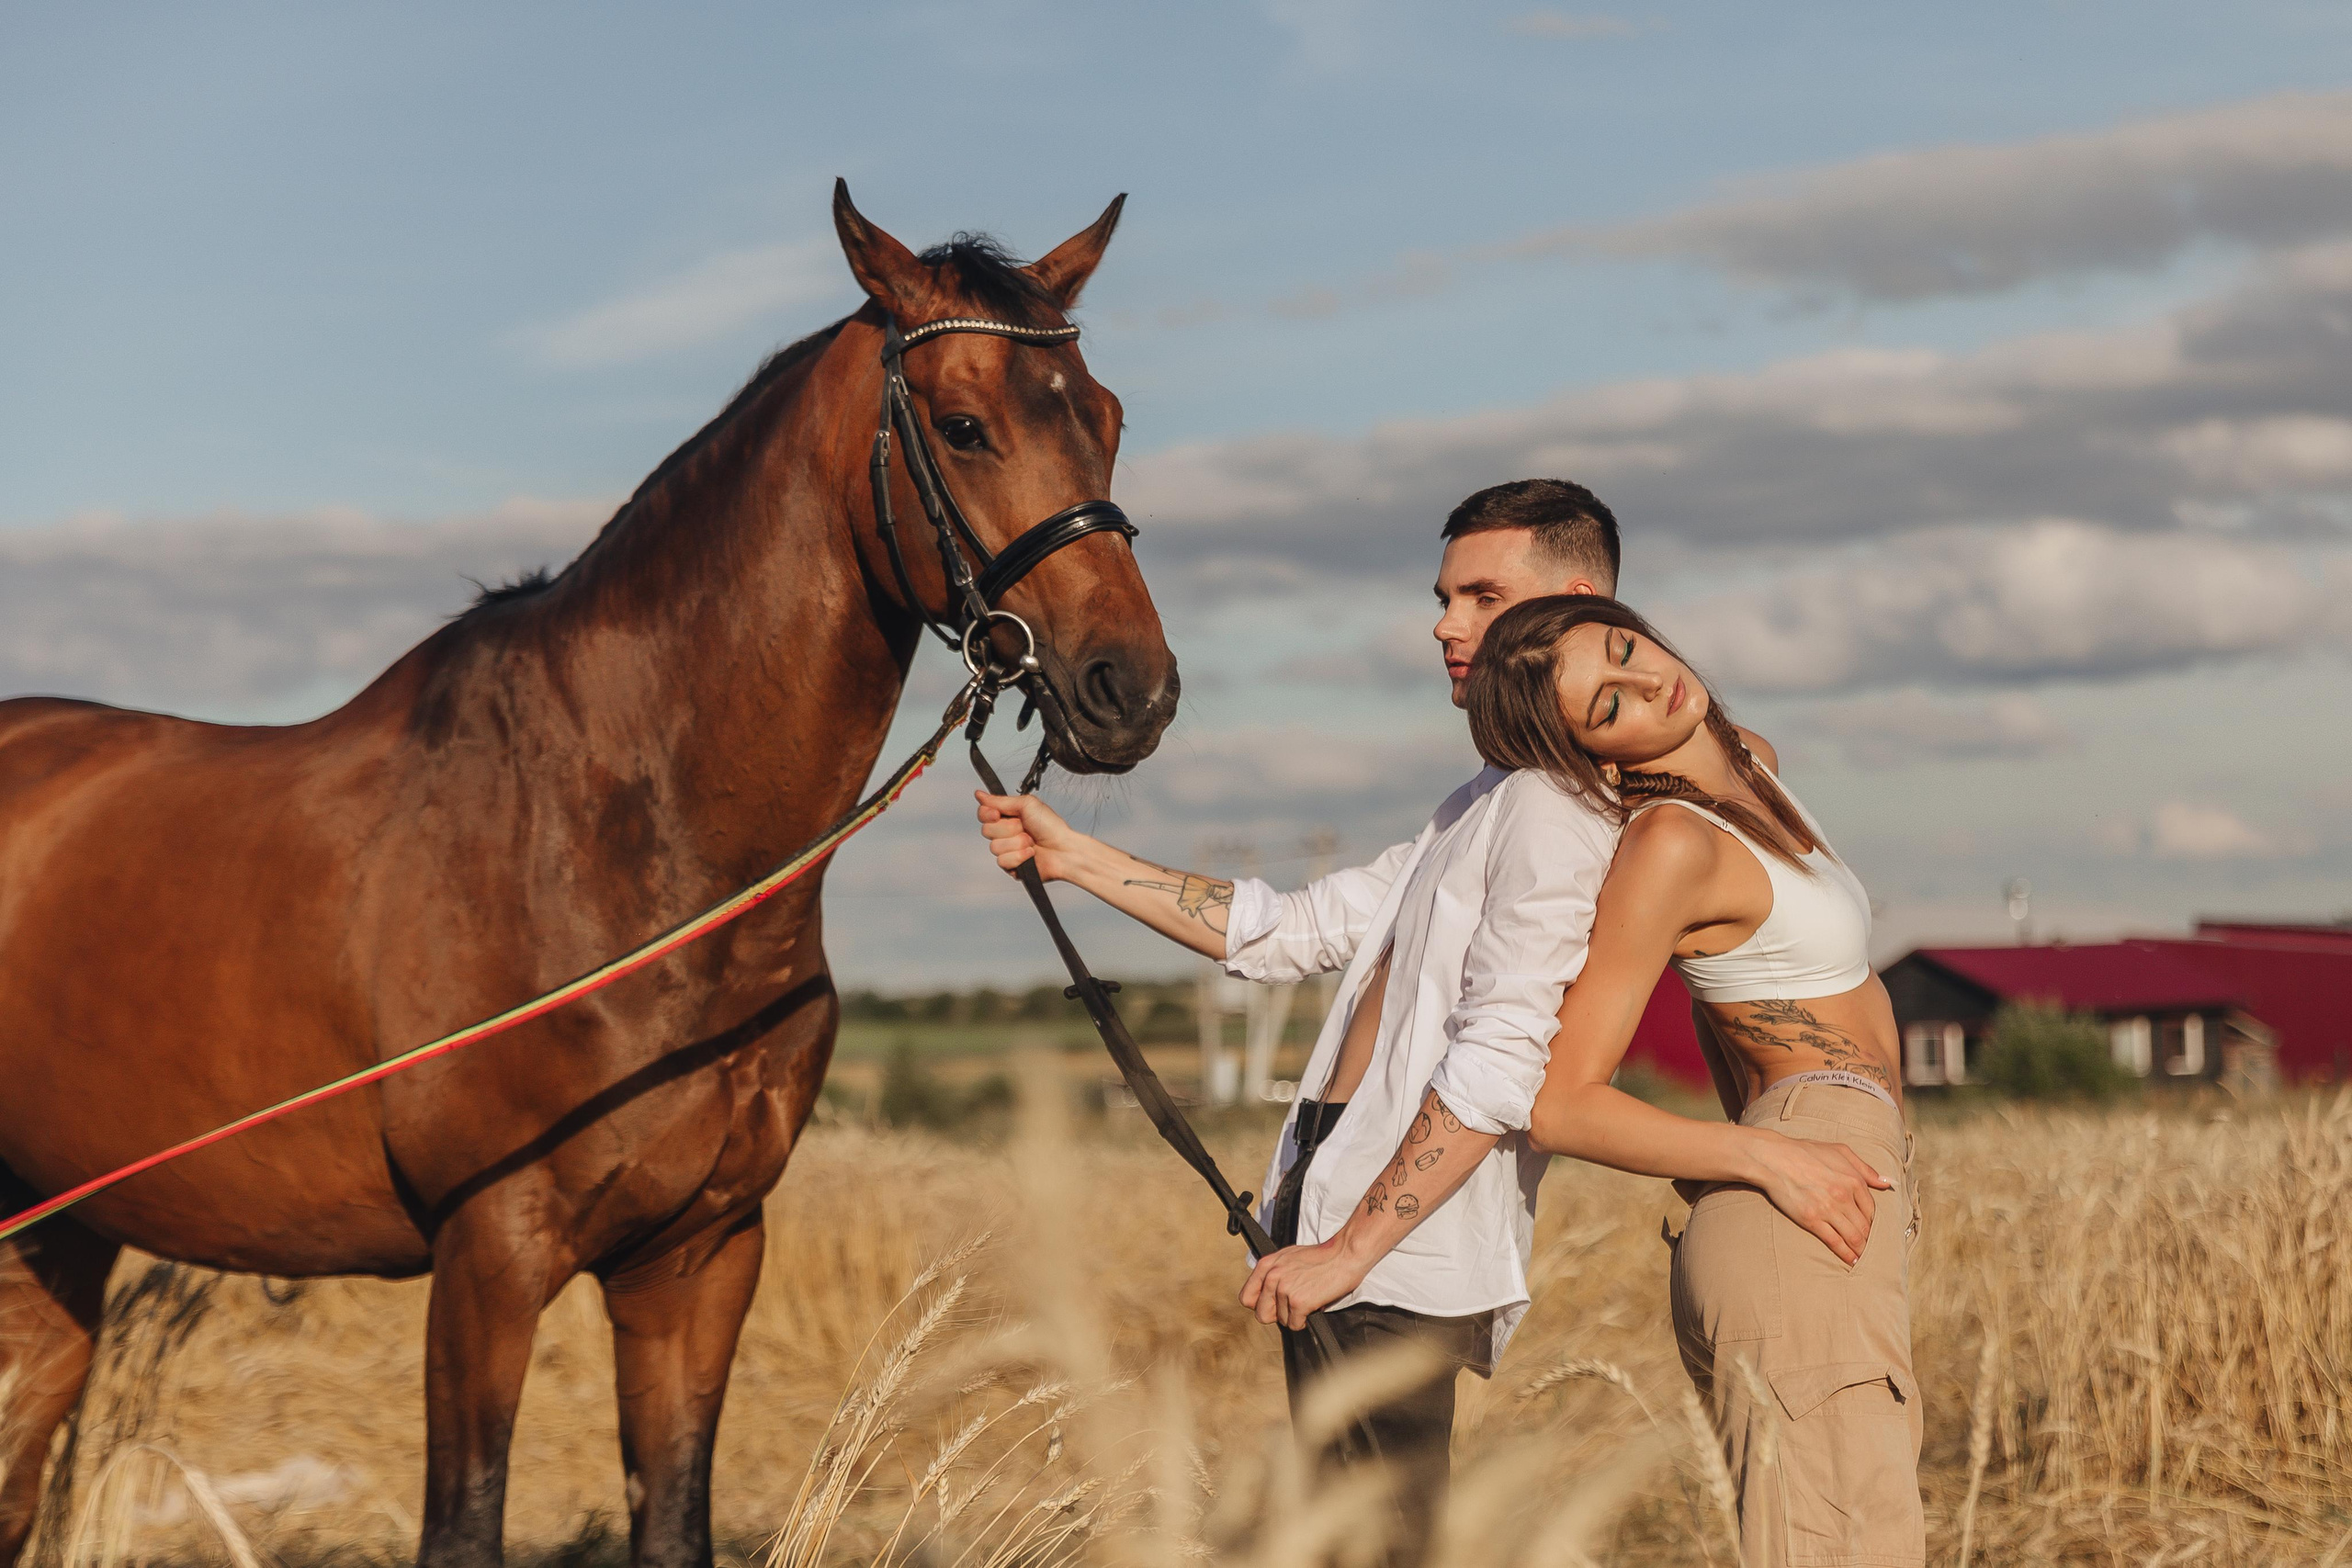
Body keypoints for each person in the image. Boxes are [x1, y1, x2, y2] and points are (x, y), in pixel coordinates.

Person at [978, 482, 1878, 1564]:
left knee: (1377, 1547)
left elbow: (1505, 1062)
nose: (1446, 626)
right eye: (1443, 597)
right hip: (1339, 1219)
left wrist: (1350, 1252)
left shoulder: (1556, 817)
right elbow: (1296, 930)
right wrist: (1075, 857)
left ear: (1578, 603)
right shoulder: (1491, 800)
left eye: (1480, 595)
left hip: (1384, 1251)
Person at [1441, 593, 1925, 1565]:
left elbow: (1728, 1003)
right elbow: (1560, 1102)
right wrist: (1765, 1157)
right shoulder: (1668, 844)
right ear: (1592, 755)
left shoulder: (1749, 765)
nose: (1647, 683)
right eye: (1608, 706)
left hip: (1846, 1184)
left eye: (1627, 649)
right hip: (1795, 1204)